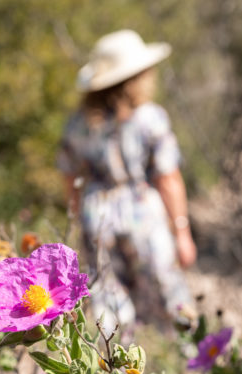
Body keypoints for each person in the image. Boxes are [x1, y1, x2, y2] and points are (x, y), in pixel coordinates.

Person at [58, 29, 197, 335]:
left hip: (97, 212)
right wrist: (182, 231)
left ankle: (117, 370)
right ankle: (190, 360)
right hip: (141, 208)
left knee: (108, 297)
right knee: (167, 291)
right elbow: (168, 178)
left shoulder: (77, 124)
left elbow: (70, 179)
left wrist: (80, 221)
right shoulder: (150, 118)